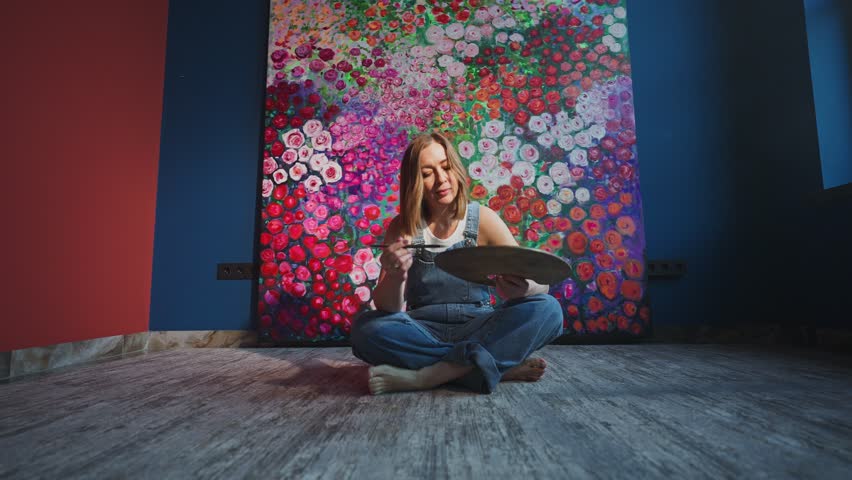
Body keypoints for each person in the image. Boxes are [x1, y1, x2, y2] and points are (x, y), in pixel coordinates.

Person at [351, 132, 564, 395]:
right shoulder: (403, 226)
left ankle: (427, 377)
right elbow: (388, 308)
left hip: (480, 326)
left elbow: (539, 285)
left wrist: (526, 288)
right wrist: (396, 276)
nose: (441, 179)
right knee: (366, 329)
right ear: (414, 182)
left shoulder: (483, 219)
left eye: (445, 166)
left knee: (549, 309)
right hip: (423, 330)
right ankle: (491, 366)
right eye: (427, 173)